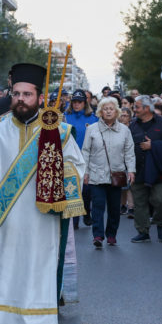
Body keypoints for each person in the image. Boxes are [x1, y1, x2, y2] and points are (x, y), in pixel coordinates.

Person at [0, 62, 86, 324]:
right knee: (5, 273)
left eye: (27, 94)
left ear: (39, 98)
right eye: (16, 93)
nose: (20, 99)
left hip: (43, 221)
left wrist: (57, 175)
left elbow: (78, 168)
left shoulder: (59, 132)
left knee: (39, 274)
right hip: (8, 221)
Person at [81, 97, 135, 248]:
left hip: (116, 174)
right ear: (100, 112)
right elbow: (85, 152)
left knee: (113, 207)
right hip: (95, 174)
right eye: (105, 109)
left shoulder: (125, 130)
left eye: (111, 108)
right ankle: (98, 235)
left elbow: (129, 152)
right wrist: (85, 172)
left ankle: (111, 234)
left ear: (116, 111)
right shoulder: (91, 129)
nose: (109, 111)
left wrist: (131, 170)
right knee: (97, 206)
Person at [129, 95, 162, 243]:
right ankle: (143, 231)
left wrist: (153, 145)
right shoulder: (133, 124)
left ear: (147, 109)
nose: (134, 109)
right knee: (140, 202)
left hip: (158, 171)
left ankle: (160, 222)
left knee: (160, 200)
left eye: (137, 107)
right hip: (138, 169)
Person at [65, 89, 98, 226]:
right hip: (71, 156)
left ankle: (86, 211)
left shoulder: (93, 118)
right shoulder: (65, 117)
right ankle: (74, 219)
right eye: (74, 102)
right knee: (72, 186)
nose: (77, 104)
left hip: (87, 157)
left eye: (79, 102)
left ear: (85, 103)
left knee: (86, 188)